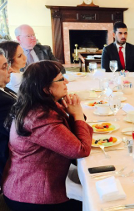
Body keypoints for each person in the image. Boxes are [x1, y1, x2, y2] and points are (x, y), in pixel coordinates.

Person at [2, 61, 92, 211]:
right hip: (31, 198)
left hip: (29, 189)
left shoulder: (41, 105)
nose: (66, 82)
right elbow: (80, 149)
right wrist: (76, 114)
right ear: (46, 89)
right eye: (61, 79)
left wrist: (74, 114)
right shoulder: (39, 117)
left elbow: (68, 135)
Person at [0, 48, 16, 185]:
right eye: (4, 67)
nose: (10, 70)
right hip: (10, 161)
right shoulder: (3, 101)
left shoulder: (4, 90)